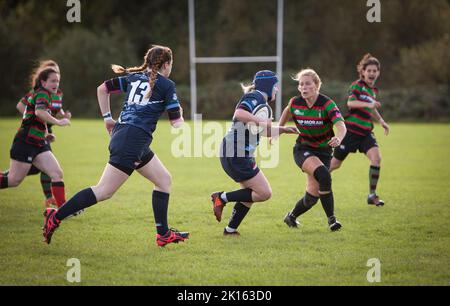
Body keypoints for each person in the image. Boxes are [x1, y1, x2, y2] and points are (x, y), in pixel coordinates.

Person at [42, 45, 189, 247]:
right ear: (166, 64)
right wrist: (181, 114)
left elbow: (102, 89)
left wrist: (107, 118)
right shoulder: (167, 85)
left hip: (128, 135)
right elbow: (176, 123)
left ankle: (163, 234)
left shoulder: (134, 77)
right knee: (103, 191)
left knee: (163, 180)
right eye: (171, 64)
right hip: (133, 140)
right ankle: (56, 217)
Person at [211, 70, 298, 236]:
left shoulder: (260, 103)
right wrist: (262, 121)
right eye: (275, 86)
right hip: (236, 152)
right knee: (264, 193)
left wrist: (283, 130)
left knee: (249, 194)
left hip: (234, 151)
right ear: (268, 85)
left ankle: (230, 230)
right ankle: (221, 198)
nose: (277, 90)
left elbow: (262, 131)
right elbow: (240, 113)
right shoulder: (255, 97)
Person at [280, 68, 347, 231]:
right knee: (324, 175)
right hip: (303, 150)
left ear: (316, 85)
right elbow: (287, 111)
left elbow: (341, 125)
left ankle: (291, 217)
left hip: (324, 152)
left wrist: (338, 138)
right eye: (301, 84)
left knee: (312, 196)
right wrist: (279, 129)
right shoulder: (295, 103)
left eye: (308, 84)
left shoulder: (327, 104)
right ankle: (332, 220)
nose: (303, 87)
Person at [0, 67, 71, 209]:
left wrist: (46, 134)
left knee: (56, 173)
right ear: (43, 82)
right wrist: (58, 122)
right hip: (25, 141)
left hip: (39, 142)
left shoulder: (50, 95)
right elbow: (39, 112)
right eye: (52, 81)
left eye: (57, 81)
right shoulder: (42, 94)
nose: (56, 84)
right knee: (14, 180)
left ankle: (63, 210)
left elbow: (40, 118)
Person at [329, 54, 389, 206]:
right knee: (334, 164)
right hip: (350, 132)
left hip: (365, 133)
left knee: (377, 158)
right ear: (363, 72)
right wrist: (369, 104)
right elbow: (351, 103)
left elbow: (372, 109)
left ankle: (372, 194)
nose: (372, 73)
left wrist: (381, 121)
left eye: (375, 70)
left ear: (378, 72)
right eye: (369, 70)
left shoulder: (373, 90)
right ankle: (316, 180)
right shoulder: (357, 86)